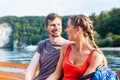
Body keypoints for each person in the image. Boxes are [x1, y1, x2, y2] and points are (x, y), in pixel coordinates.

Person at [46, 14, 107, 80]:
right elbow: (57, 73)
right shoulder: (65, 47)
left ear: (78, 29)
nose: (66, 30)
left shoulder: (96, 56)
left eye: (68, 26)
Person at [25, 13, 68, 80]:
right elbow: (31, 67)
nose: (57, 28)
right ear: (46, 27)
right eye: (53, 25)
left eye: (59, 24)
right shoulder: (42, 44)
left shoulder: (67, 45)